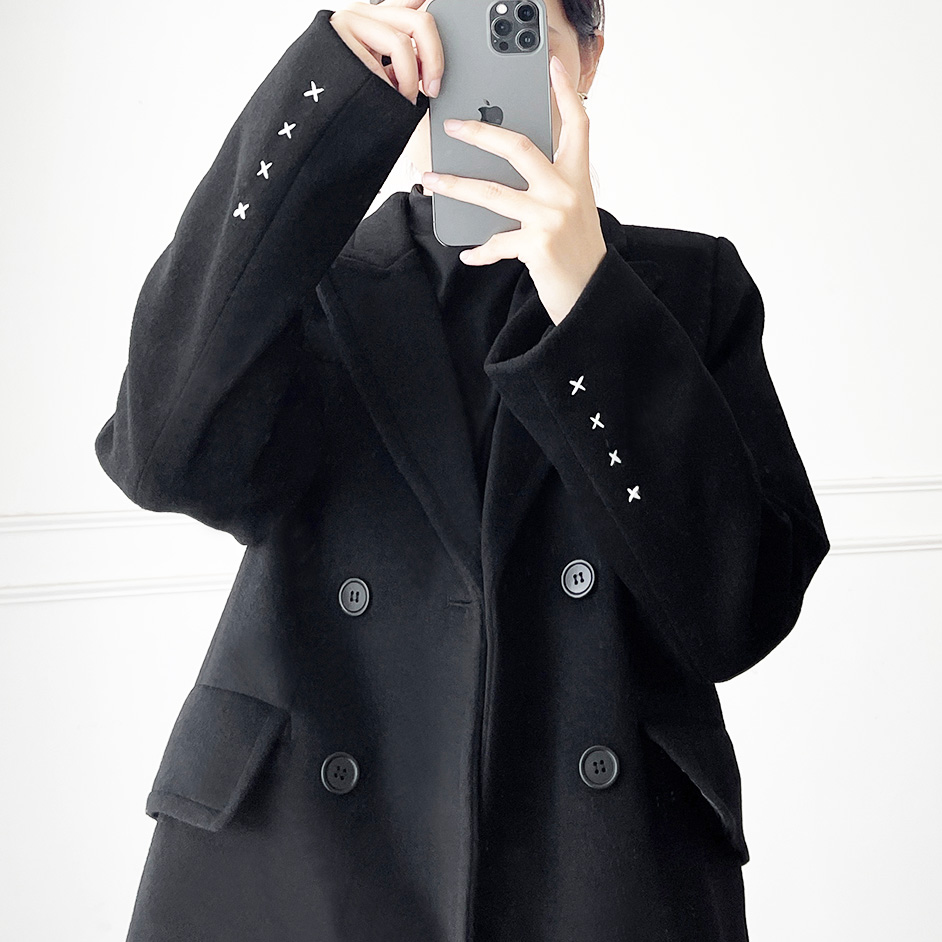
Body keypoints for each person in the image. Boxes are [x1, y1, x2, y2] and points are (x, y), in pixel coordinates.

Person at [94, 2, 830, 941]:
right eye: (446, 28)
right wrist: (326, 89)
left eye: (513, 30)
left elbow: (736, 611)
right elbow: (163, 453)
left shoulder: (689, 292)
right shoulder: (306, 278)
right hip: (305, 868)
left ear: (590, 57)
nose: (475, 72)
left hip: (594, 877)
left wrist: (588, 297)